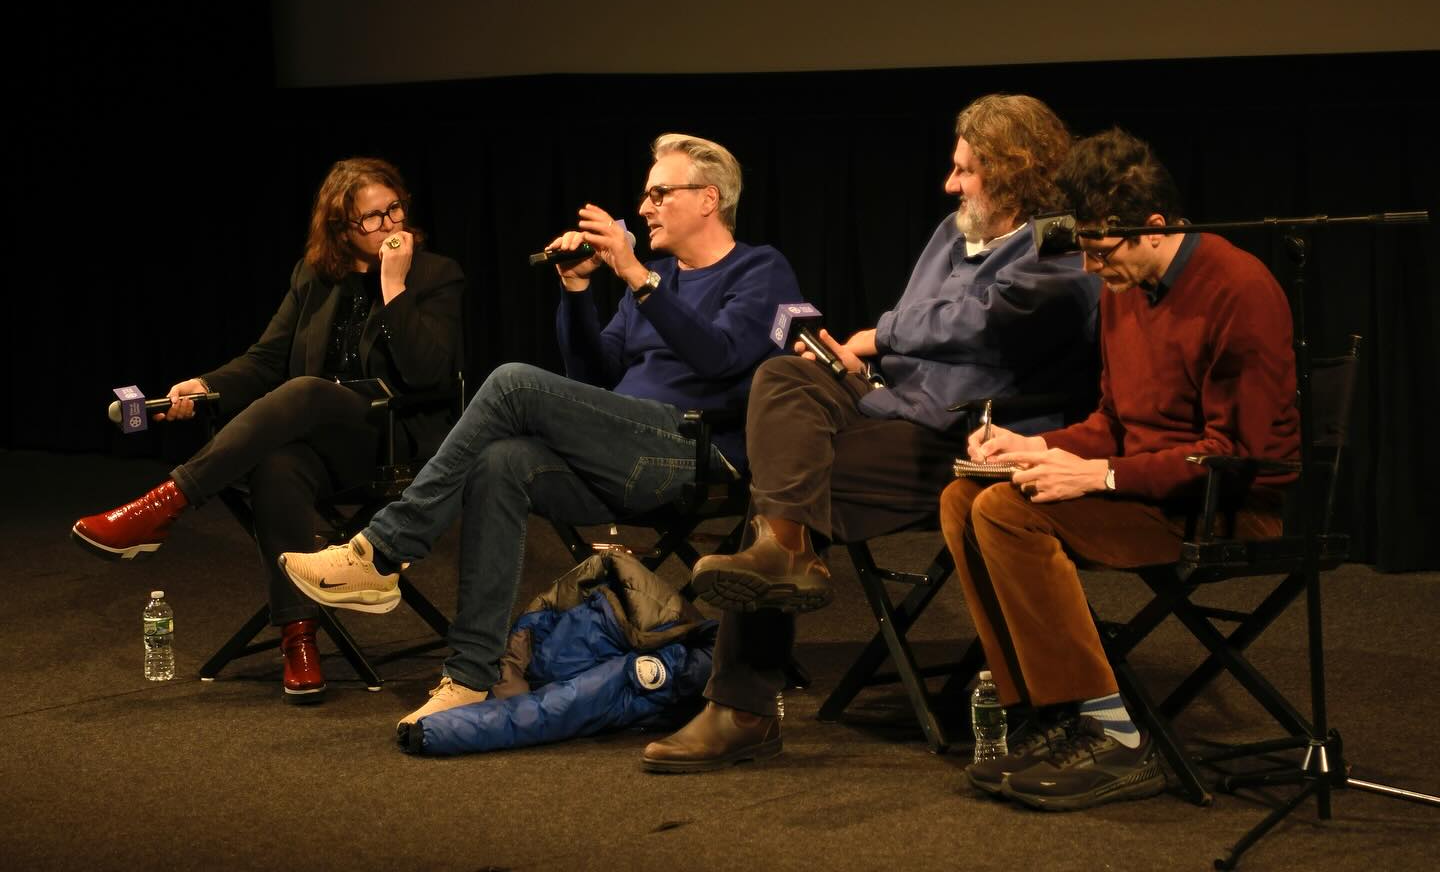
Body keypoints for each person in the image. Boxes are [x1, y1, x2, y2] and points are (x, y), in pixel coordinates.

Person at [278, 133, 802, 740]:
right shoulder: (655, 279)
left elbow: (719, 357)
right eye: (646, 192)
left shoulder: (760, 269)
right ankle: (470, 673)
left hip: (691, 453)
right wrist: (578, 290)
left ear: (709, 198)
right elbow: (593, 378)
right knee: (500, 461)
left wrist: (633, 274)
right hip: (621, 451)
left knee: (512, 383)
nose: (646, 206)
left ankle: (380, 552)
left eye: (660, 192)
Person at [642, 93, 1100, 773]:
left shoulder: (1058, 240)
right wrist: (870, 351)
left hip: (969, 433)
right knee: (784, 376)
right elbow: (931, 315)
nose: (951, 184)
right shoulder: (954, 231)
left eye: (965, 170)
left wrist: (880, 336)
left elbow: (992, 316)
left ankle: (742, 707)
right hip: (896, 400)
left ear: (1011, 169)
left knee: (783, 486)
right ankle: (784, 548)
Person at [940, 128, 1299, 811]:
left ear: (1153, 227)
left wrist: (1100, 476)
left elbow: (1235, 458)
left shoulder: (1238, 289)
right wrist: (1040, 448)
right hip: (1147, 487)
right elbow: (1116, 418)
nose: (1086, 266)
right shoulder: (1124, 283)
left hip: (1225, 505)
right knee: (965, 497)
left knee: (1009, 513)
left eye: (1098, 247)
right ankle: (1047, 714)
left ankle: (1114, 734)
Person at [71, 156, 465, 701]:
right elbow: (265, 360)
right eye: (371, 219)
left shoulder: (435, 275)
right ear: (341, 230)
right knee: (278, 464)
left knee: (304, 393)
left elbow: (429, 372)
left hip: (390, 435)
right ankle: (298, 636)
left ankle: (165, 504)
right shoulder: (313, 277)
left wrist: (394, 288)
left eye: (394, 209)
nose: (390, 226)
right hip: (319, 440)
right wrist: (202, 385)